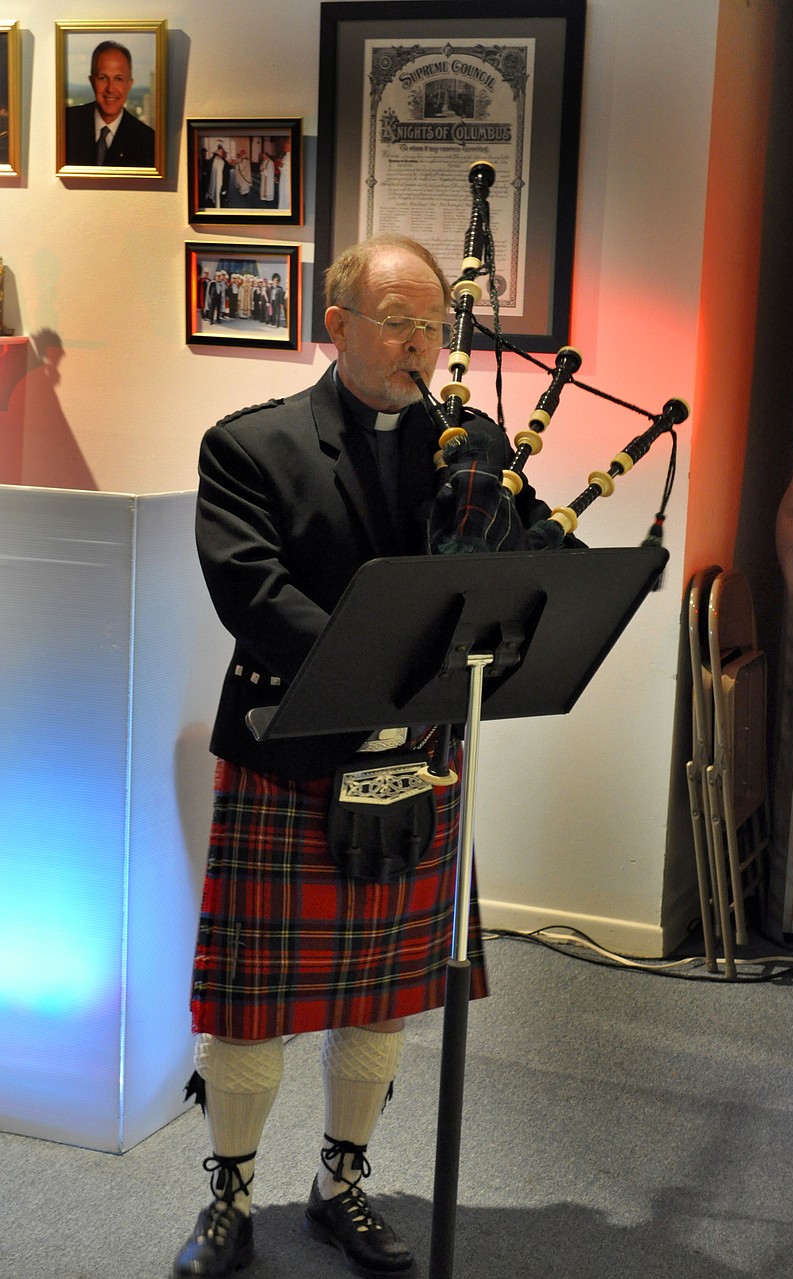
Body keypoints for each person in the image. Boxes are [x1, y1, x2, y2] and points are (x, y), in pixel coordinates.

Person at [172, 234, 566, 1279]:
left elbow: (512, 568)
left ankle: (341, 1182)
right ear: (335, 324)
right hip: (294, 750)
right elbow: (256, 597)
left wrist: (565, 575)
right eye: (396, 321)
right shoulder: (249, 446)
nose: (419, 343)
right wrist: (389, 674)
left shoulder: (471, 440)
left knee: (381, 996)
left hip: (420, 758)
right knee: (256, 1002)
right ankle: (231, 1199)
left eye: (434, 323)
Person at [64, 40, 155, 168]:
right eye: (103, 78)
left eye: (118, 79)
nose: (110, 89)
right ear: (92, 81)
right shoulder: (65, 123)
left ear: (129, 84)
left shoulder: (148, 141)